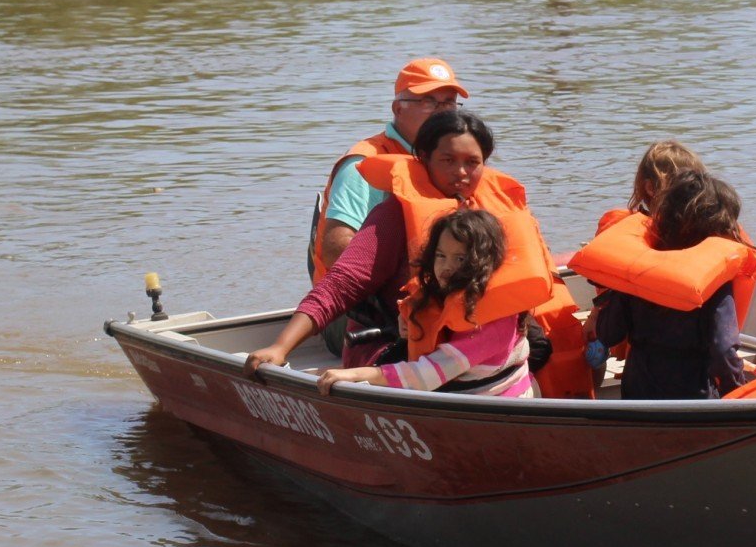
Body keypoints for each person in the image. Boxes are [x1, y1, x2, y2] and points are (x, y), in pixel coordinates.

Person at [247, 110, 594, 397]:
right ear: (423, 158)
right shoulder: (394, 216)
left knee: (542, 345)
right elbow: (341, 285)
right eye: (448, 160)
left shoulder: (497, 213)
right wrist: (280, 348)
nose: (461, 173)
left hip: (480, 347)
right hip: (397, 348)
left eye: (472, 162)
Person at [303, 58, 466, 355]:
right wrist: (408, 300)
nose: (442, 113)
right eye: (429, 102)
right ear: (398, 108)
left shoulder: (452, 160)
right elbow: (335, 247)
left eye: (449, 104)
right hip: (350, 312)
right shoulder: (363, 164)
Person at [315, 209, 538, 398]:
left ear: (483, 263)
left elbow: (425, 376)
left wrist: (356, 374)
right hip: (458, 387)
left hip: (497, 404)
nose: (446, 267)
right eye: (441, 256)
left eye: (460, 259)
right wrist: (410, 324)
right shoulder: (446, 294)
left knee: (355, 375)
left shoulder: (493, 320)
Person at [579, 171, 756, 400]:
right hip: (691, 397)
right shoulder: (713, 281)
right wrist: (736, 394)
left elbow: (609, 333)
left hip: (638, 392)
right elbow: (723, 351)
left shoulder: (638, 269)